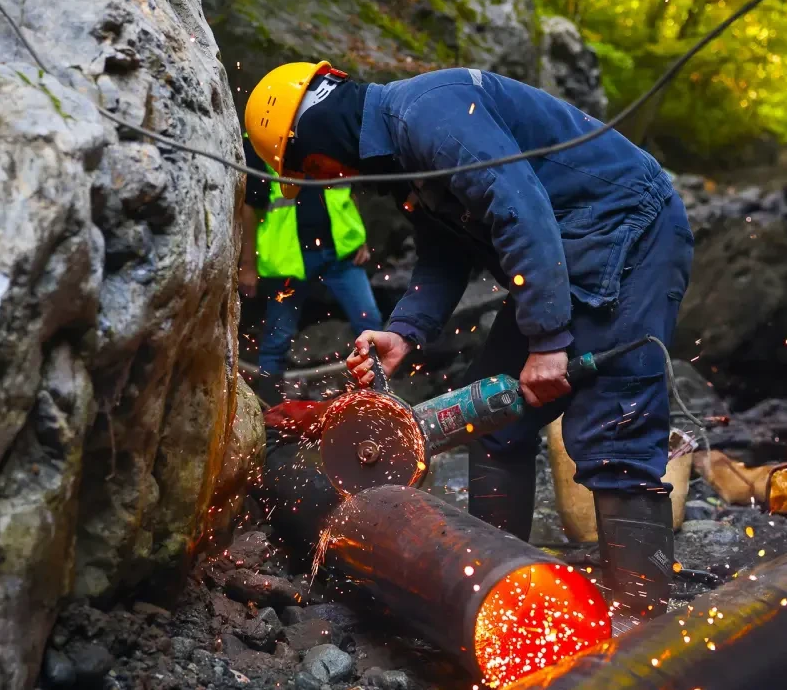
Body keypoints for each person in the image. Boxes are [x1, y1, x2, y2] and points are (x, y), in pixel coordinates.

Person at [244, 62, 693, 622]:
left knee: (613, 434)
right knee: (496, 420)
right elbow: (446, 253)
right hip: (565, 250)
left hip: (628, 233)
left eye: (315, 168)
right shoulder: (407, 153)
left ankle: (641, 623)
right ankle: (504, 594)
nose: (332, 178)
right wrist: (405, 330)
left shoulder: (429, 113)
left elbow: (520, 209)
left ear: (318, 135)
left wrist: (549, 342)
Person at [239, 131, 383, 405]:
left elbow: (348, 187)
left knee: (370, 322)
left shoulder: (327, 128)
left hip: (339, 253)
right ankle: (270, 415)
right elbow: (249, 207)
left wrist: (358, 236)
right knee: (276, 340)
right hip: (288, 260)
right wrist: (248, 264)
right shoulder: (262, 140)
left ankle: (379, 399)